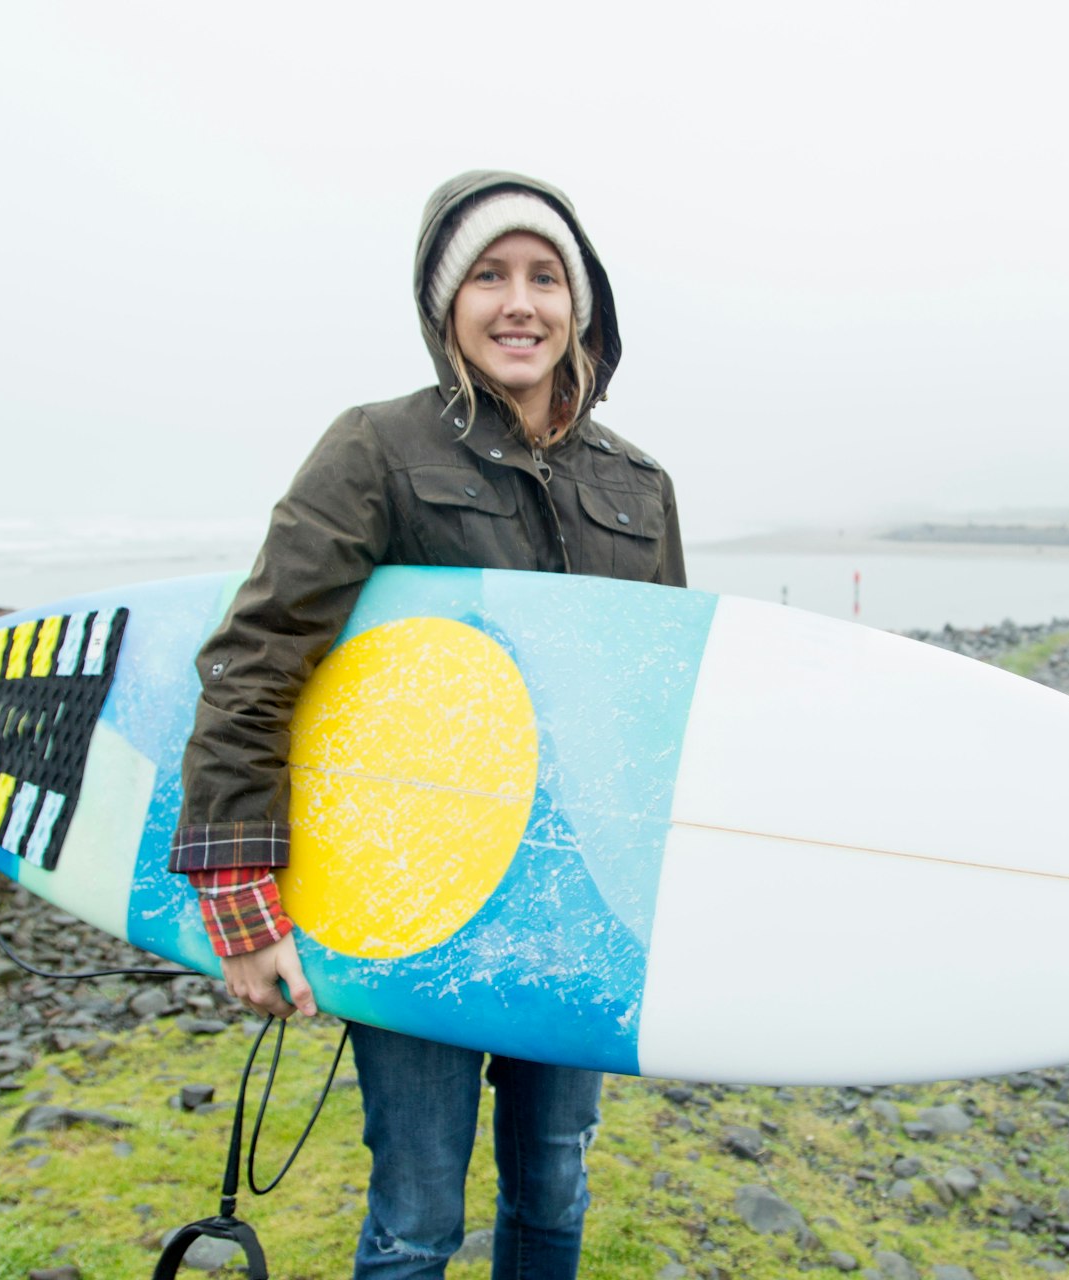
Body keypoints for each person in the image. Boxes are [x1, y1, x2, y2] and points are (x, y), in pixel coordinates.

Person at [169, 170, 685, 1279]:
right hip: (418, 890)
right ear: (443, 303)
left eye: (546, 276)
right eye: (488, 276)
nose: (520, 302)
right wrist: (239, 893)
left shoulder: (639, 483)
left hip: (573, 898)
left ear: (579, 302)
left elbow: (659, 712)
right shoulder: (378, 450)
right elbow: (256, 658)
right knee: (416, 1212)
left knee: (554, 1184)